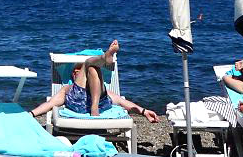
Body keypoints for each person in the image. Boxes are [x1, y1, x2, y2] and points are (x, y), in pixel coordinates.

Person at [30, 40, 161, 123]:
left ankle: (103, 59)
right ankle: (104, 58)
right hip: (81, 99)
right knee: (88, 64)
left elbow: (122, 102)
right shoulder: (67, 89)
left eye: (79, 70)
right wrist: (31, 114)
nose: (77, 72)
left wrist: (144, 111)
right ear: (72, 76)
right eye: (75, 71)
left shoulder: (105, 91)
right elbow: (50, 104)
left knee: (92, 68)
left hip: (99, 102)